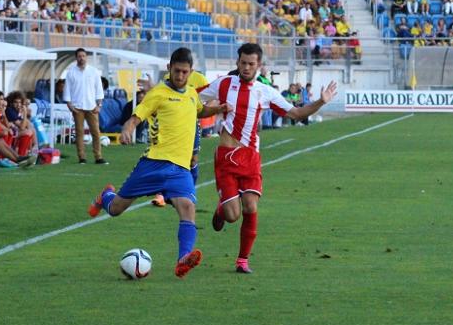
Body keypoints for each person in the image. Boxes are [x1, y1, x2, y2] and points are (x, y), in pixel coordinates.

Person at [86, 48, 231, 279]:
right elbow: (138, 115)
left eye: (185, 72)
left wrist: (219, 109)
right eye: (177, 71)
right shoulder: (158, 93)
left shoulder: (192, 93)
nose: (180, 75)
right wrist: (127, 128)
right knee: (116, 210)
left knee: (188, 208)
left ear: (191, 72)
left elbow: (200, 110)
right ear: (169, 68)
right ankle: (106, 198)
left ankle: (183, 259)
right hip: (153, 164)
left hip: (180, 169)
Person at [199, 43, 338, 274]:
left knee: (251, 206)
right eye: (242, 63)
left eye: (251, 64)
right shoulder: (223, 84)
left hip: (250, 157)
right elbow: (193, 98)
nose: (246, 67)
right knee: (233, 215)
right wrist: (208, 108)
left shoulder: (265, 92)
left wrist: (321, 101)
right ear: (237, 62)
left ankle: (242, 260)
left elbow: (296, 113)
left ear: (259, 66)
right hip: (226, 156)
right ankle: (222, 208)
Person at [148, 69, 209, 208]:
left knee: (192, 159)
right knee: (166, 158)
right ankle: (160, 195)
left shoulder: (200, 79)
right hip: (172, 126)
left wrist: (202, 110)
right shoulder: (168, 78)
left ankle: (188, 193)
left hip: (191, 125)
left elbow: (210, 98)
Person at [62, 48, 108, 165]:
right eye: (79, 56)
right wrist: (69, 105)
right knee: (79, 133)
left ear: (86, 57)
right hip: (77, 107)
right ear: (76, 58)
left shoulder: (94, 71)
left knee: (96, 132)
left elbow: (99, 89)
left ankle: (98, 157)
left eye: (83, 56)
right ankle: (82, 157)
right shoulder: (71, 72)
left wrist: (99, 105)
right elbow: (67, 90)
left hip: (92, 106)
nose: (81, 58)